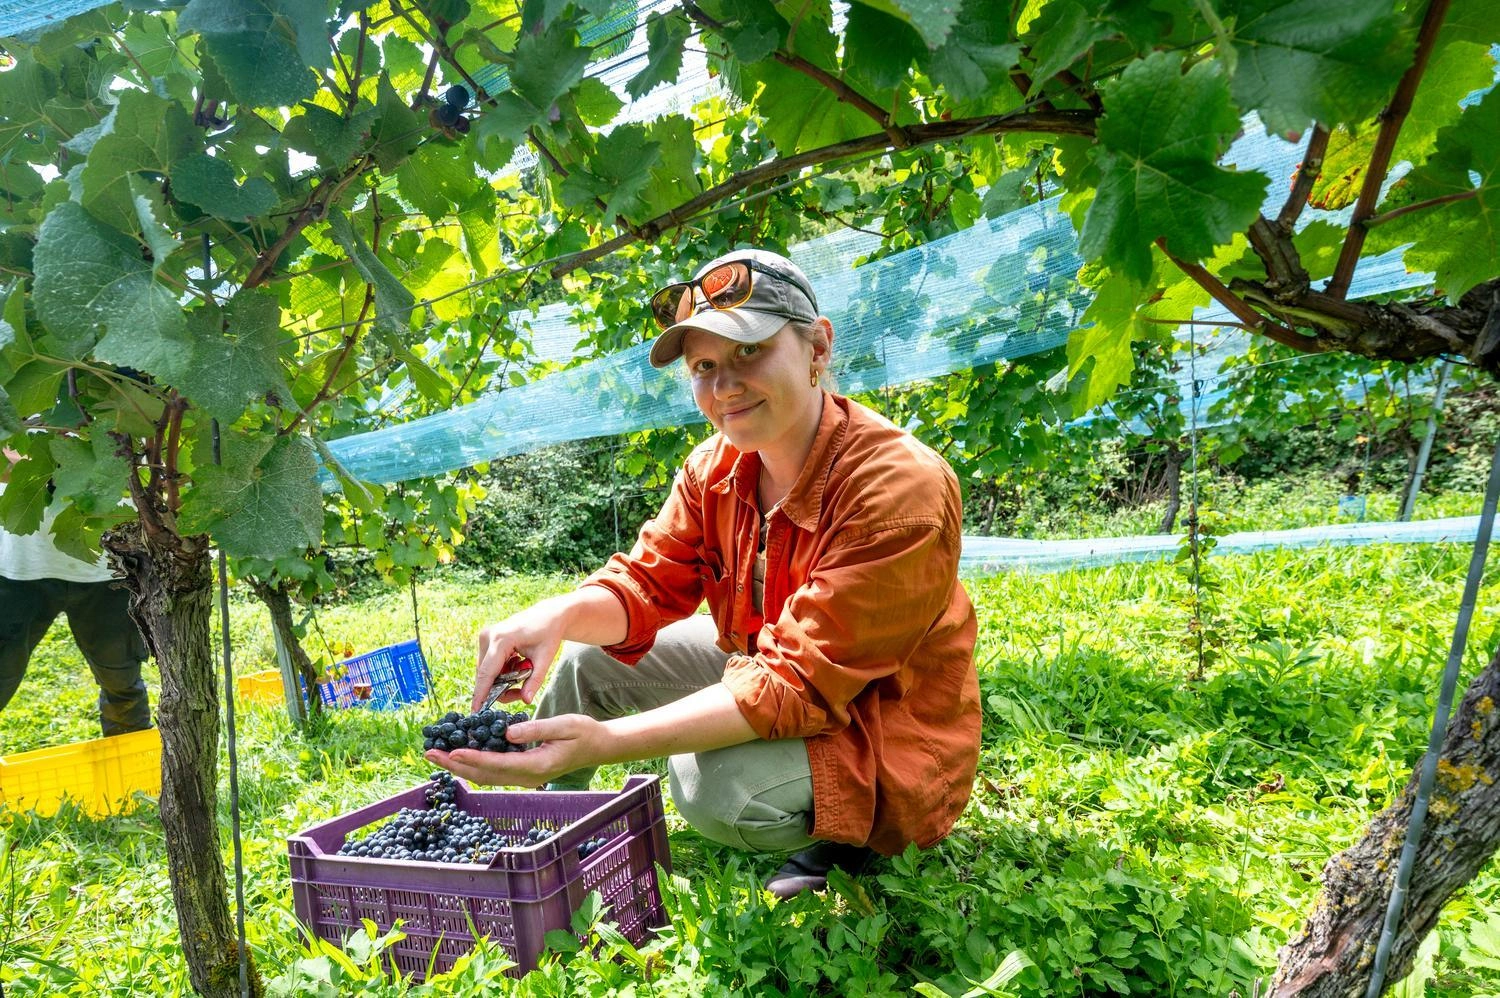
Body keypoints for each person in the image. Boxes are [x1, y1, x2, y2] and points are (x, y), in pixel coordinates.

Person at [428, 248, 980, 898]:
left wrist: (603, 743)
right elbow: (647, 584)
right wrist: (558, 615)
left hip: (882, 722)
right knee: (585, 663)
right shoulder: (713, 467)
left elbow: (794, 683)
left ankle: (852, 836)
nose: (724, 388)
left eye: (749, 353)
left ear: (817, 348)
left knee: (709, 782)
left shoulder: (895, 490)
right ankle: (541, 832)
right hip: (767, 668)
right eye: (704, 368)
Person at [0, 447, 152, 737]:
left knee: (121, 680)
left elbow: (150, 470)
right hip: (18, 566)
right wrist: (85, 470)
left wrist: (43, 470)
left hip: (107, 569)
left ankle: (133, 775)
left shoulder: (125, 403)